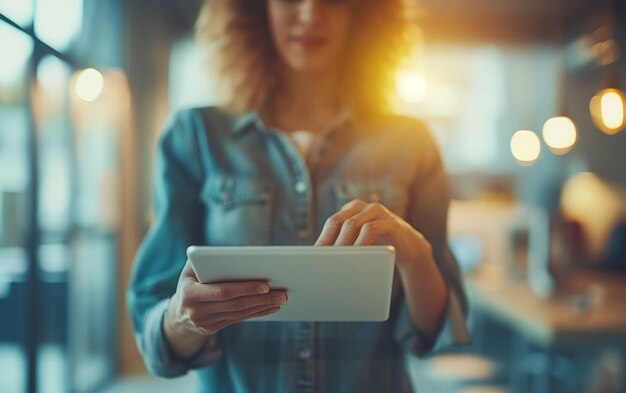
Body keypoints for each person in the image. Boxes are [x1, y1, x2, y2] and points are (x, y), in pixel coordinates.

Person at [128, 0, 470, 392]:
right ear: (256, 9)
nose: (310, 14)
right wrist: (181, 318)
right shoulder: (194, 136)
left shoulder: (411, 144)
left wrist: (415, 254)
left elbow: (437, 331)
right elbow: (153, 331)